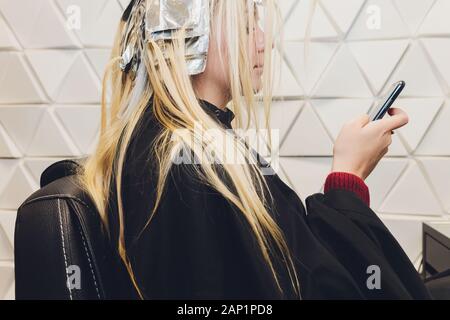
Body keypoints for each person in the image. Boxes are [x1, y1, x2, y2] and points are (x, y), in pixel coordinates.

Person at [78, 0, 430, 299]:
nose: (264, 42)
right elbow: (323, 288)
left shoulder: (163, 147)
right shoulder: (195, 168)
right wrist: (347, 179)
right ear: (188, 38)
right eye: (247, 27)